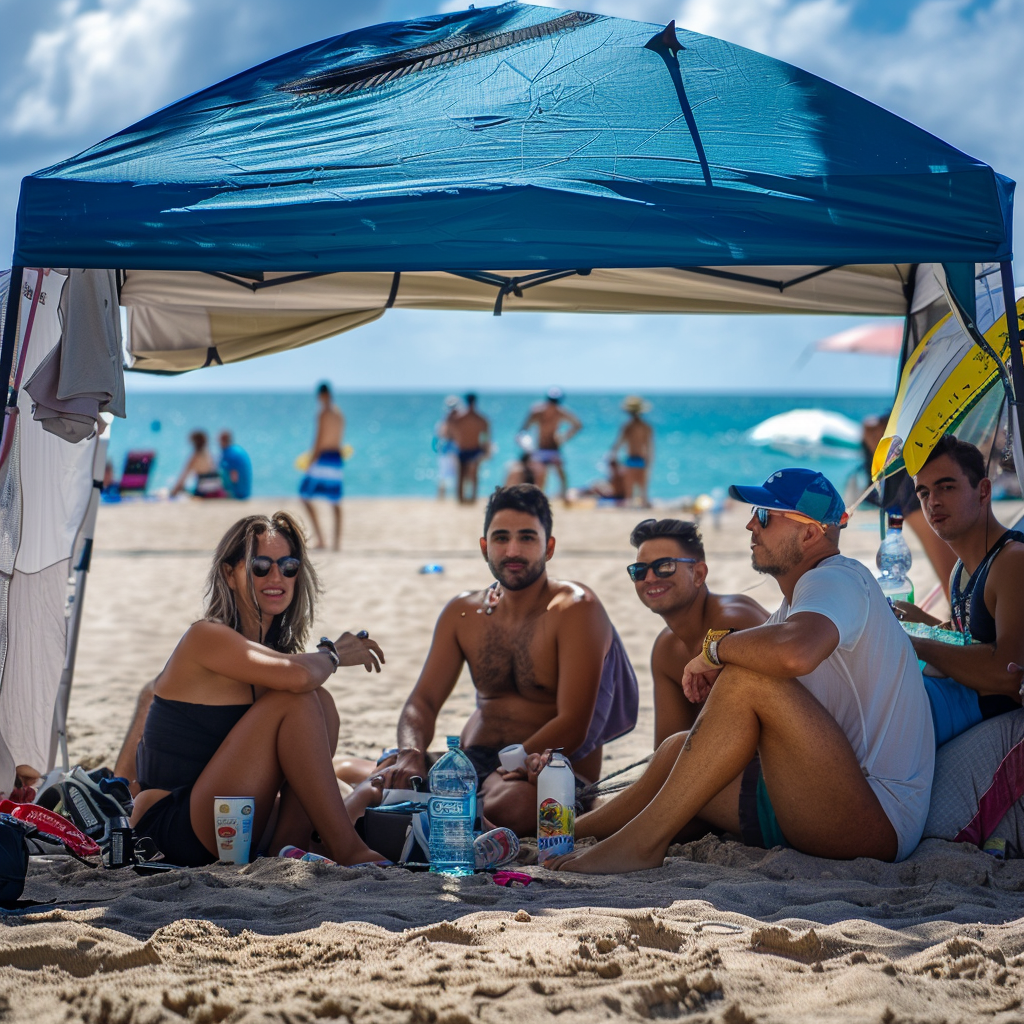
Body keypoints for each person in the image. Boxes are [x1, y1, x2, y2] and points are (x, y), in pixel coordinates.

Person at [549, 468, 934, 873]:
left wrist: (715, 649)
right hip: (831, 795)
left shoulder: (837, 579)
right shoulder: (794, 606)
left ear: (809, 534)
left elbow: (795, 653)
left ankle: (642, 844)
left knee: (749, 677)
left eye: (766, 516)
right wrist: (723, 666)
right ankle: (560, 836)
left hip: (875, 821)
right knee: (675, 751)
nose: (751, 524)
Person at [345, 485, 639, 835]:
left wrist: (507, 764)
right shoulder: (463, 613)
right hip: (474, 762)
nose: (512, 550)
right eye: (501, 538)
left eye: (527, 538)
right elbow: (422, 702)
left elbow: (573, 722)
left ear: (549, 546)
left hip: (546, 766)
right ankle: (432, 810)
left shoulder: (574, 609)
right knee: (364, 779)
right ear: (485, 546)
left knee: (511, 807)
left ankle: (432, 811)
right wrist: (410, 751)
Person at [129, 512, 387, 867]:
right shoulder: (206, 637)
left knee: (320, 703)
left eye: (289, 565)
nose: (276, 577)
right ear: (229, 574)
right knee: (298, 700)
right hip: (171, 828)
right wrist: (334, 653)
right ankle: (350, 851)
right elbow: (298, 678)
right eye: (260, 566)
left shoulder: (272, 658)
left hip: (231, 820)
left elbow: (300, 678)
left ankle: (287, 847)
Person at [894, 435, 1024, 745]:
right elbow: (973, 637)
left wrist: (916, 644)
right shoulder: (961, 569)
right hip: (965, 709)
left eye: (946, 487)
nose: (932, 502)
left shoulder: (1013, 561)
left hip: (1000, 729)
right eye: (924, 492)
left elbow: (1010, 672)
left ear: (983, 491)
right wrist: (922, 623)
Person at [628, 518, 769, 747]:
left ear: (698, 574)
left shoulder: (733, 618)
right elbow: (668, 748)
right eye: (639, 570)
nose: (650, 578)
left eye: (665, 566)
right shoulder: (667, 648)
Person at [861, 413, 957, 599]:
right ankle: (955, 607)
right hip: (903, 488)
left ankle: (956, 609)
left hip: (905, 490)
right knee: (946, 566)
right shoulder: (902, 419)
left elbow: (869, 427)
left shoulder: (891, 422)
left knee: (947, 569)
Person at [299, 383, 344, 551]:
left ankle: (322, 539)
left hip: (323, 457)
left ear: (322, 395)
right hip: (336, 458)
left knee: (304, 494)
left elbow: (319, 439)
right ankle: (336, 543)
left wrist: (311, 460)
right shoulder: (339, 414)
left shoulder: (323, 414)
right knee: (335, 500)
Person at [520, 388, 582, 501]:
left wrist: (564, 437)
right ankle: (538, 499)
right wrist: (527, 445)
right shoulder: (537, 412)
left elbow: (578, 425)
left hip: (554, 448)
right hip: (540, 449)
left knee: (560, 474)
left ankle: (564, 498)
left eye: (555, 402)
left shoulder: (561, 412)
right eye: (551, 401)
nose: (553, 404)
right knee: (540, 476)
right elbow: (524, 430)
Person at [611, 396, 654, 506]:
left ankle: (632, 507)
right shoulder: (646, 427)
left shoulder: (628, 426)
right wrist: (649, 461)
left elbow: (619, 443)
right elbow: (649, 446)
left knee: (630, 492)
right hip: (642, 459)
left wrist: (613, 455)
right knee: (642, 490)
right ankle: (642, 506)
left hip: (631, 459)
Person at [450, 393, 491, 504]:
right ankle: (469, 499)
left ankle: (463, 499)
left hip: (464, 449)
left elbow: (450, 431)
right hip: (472, 449)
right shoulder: (481, 419)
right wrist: (487, 450)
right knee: (470, 475)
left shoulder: (459, 418)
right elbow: (487, 438)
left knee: (463, 475)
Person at [171, 431, 224, 498]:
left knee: (184, 490)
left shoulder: (195, 456)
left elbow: (184, 476)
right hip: (216, 489)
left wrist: (174, 491)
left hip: (203, 490)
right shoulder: (208, 453)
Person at [434, 396, 460, 500]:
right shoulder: (447, 420)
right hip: (450, 451)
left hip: (447, 451)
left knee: (445, 477)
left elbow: (438, 437)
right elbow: (442, 434)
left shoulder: (444, 420)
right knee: (446, 477)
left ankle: (443, 498)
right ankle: (442, 497)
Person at [219, 431, 252, 501]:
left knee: (222, 471)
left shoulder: (229, 453)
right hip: (246, 492)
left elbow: (234, 475)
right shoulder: (236, 449)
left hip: (237, 493)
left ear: (222, 440)